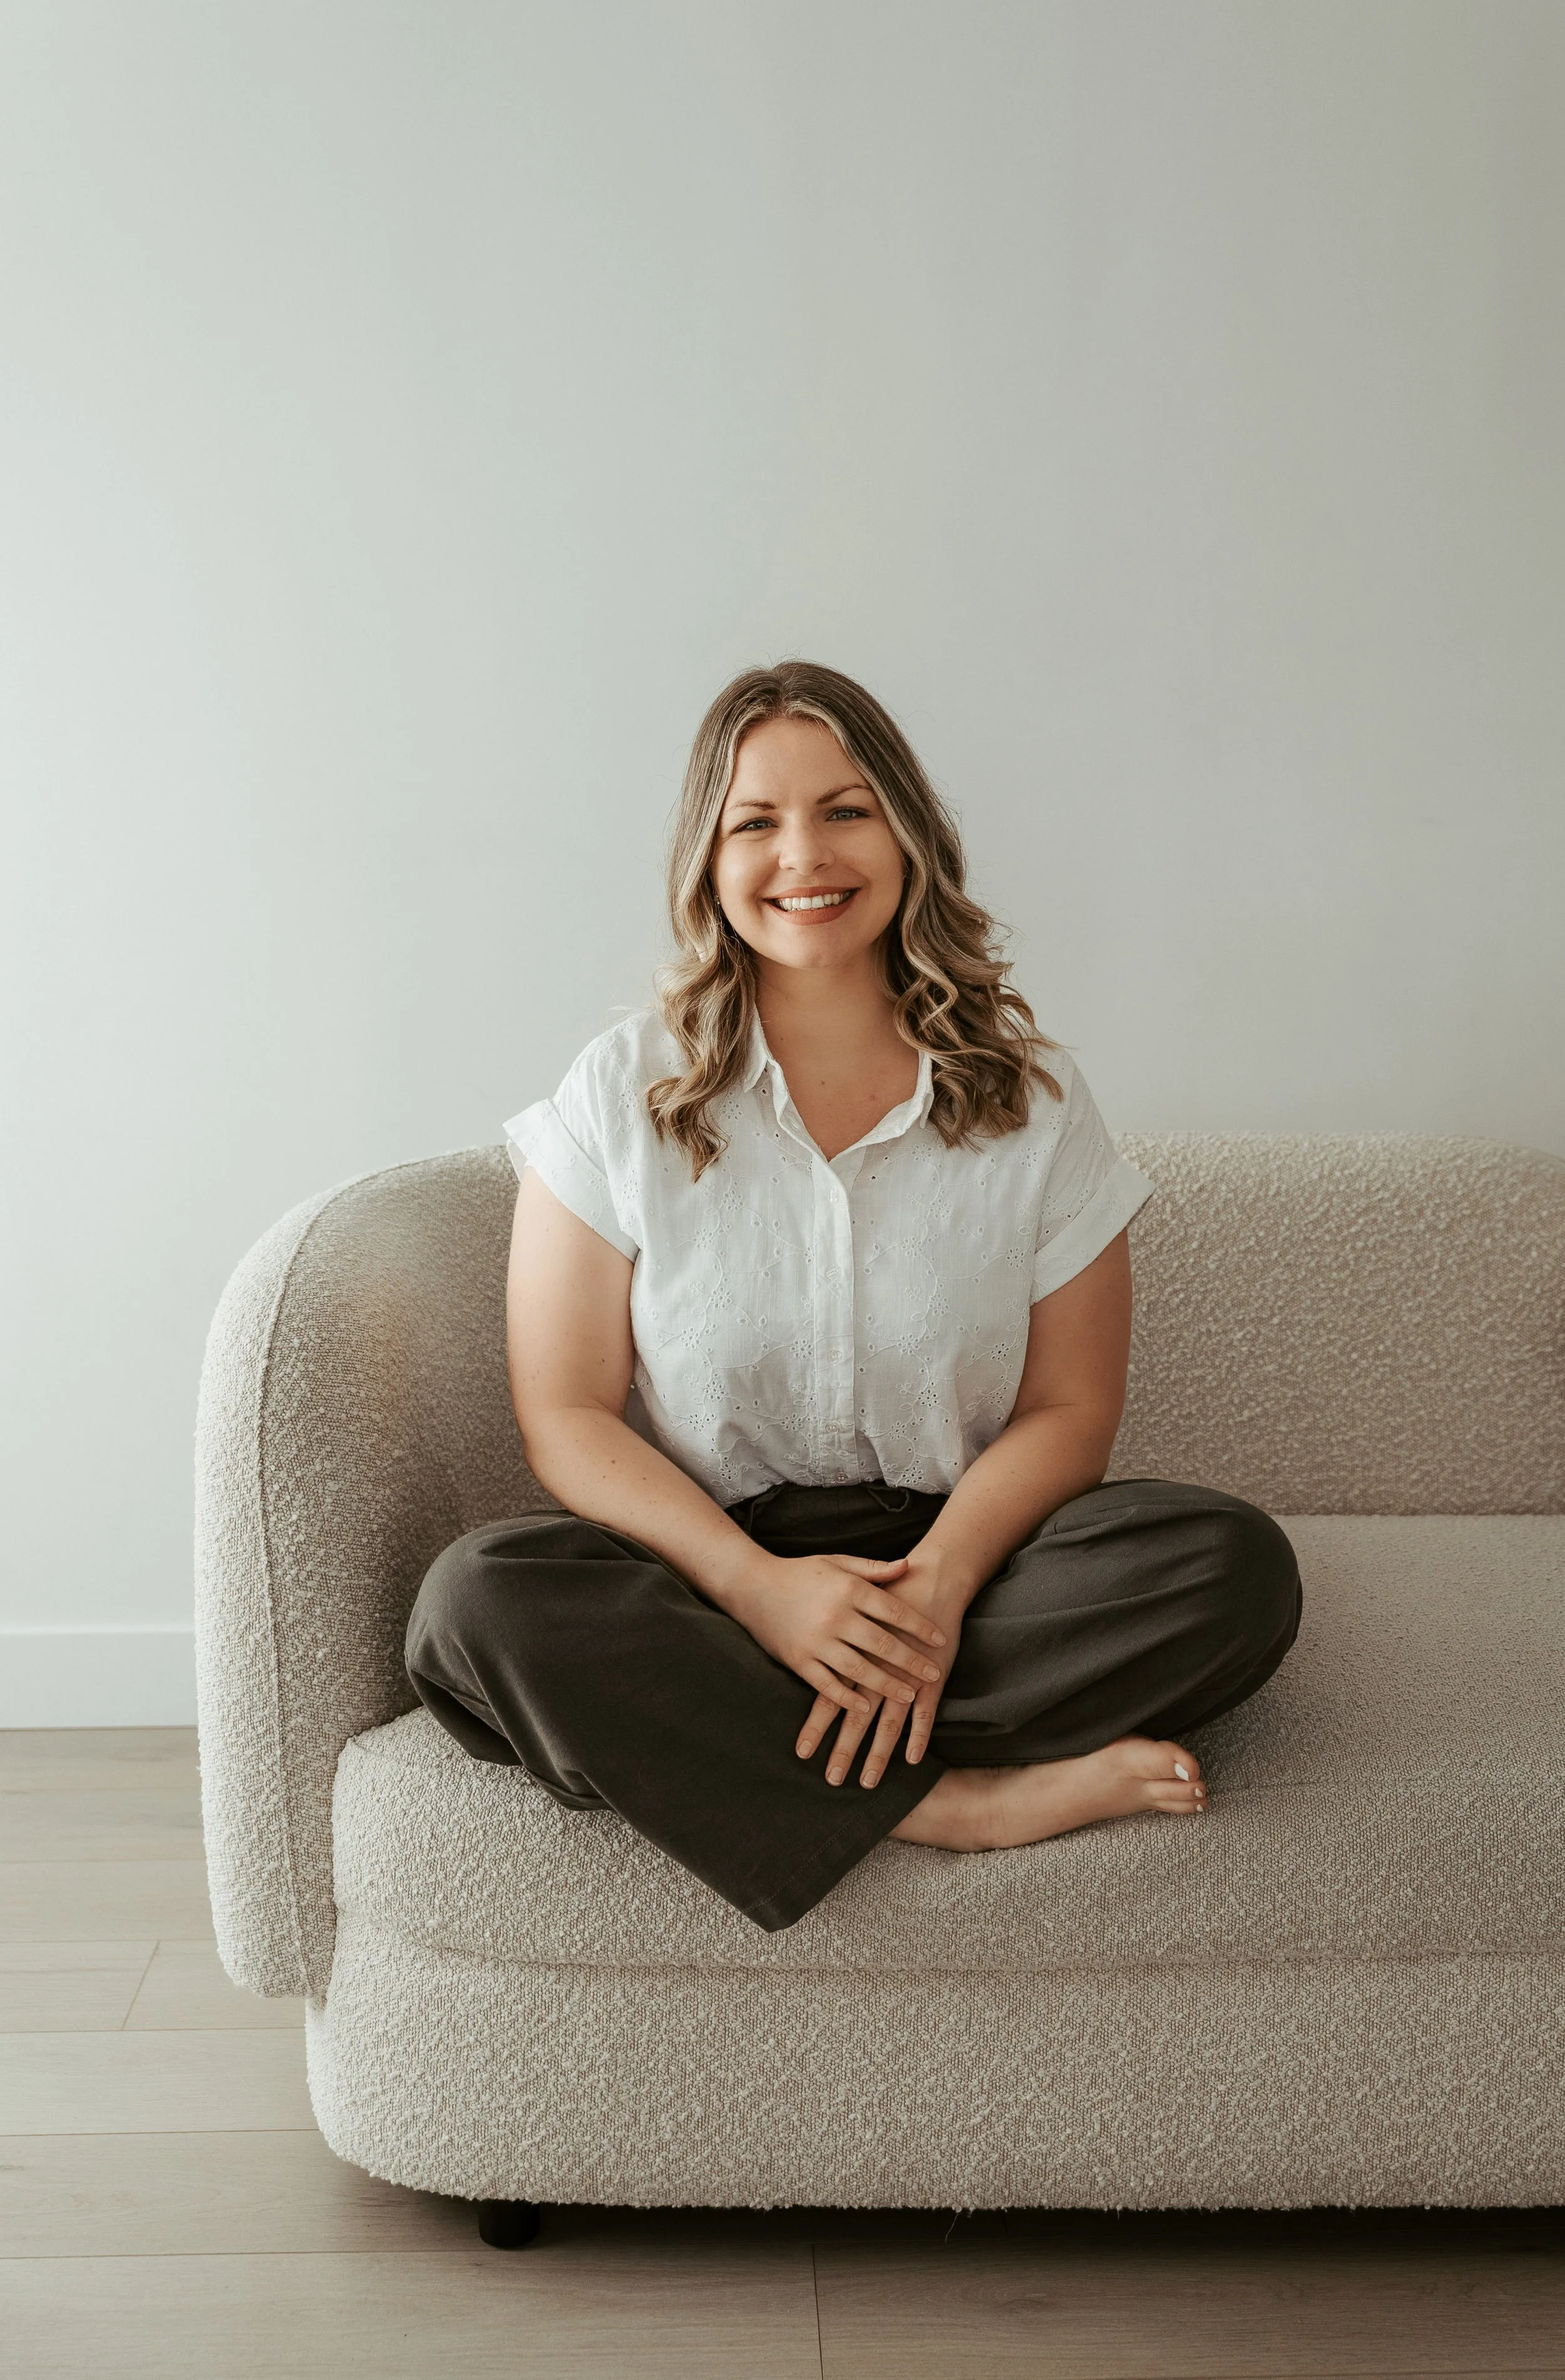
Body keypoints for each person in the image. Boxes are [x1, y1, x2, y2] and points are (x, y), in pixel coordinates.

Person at [406, 661, 1300, 1932]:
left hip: (963, 1572)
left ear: (905, 833)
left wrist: (933, 1589)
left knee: (1228, 1569)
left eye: (843, 810)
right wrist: (759, 1594)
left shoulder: (1032, 1099)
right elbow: (566, 1415)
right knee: (474, 1608)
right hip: (710, 1577)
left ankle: (750, 1751)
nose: (801, 857)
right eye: (753, 822)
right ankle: (951, 1803)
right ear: (706, 861)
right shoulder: (619, 1091)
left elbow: (1068, 1409)